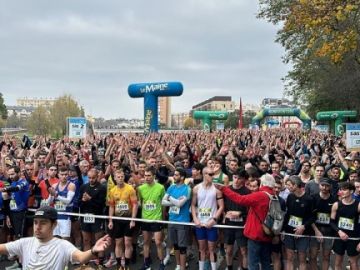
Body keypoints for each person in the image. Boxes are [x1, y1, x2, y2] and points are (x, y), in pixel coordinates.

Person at [0, 206, 111, 270]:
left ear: (54, 225)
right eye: (35, 222)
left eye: (43, 223)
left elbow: (81, 257)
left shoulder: (62, 245)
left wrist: (93, 250)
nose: (37, 227)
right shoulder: (24, 243)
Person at [217, 173, 276, 270]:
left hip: (256, 234)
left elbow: (240, 199)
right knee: (265, 262)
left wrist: (224, 189)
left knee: (253, 263)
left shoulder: (260, 195)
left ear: (262, 184)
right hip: (268, 232)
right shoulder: (273, 196)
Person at [191, 167, 224, 270]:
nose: (212, 176)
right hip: (200, 223)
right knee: (201, 249)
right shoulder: (196, 188)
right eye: (210, 174)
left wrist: (214, 219)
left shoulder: (217, 190)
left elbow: (221, 206)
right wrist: (195, 218)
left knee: (211, 249)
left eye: (213, 174)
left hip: (211, 224)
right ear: (204, 175)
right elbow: (192, 205)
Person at [107, 169, 138, 270]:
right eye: (118, 177)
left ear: (124, 177)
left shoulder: (130, 189)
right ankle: (120, 265)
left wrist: (133, 220)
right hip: (117, 220)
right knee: (118, 243)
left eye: (122, 177)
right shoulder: (112, 191)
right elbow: (111, 206)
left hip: (128, 219)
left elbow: (135, 205)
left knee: (127, 242)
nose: (120, 179)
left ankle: (127, 265)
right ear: (115, 178)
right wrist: (111, 220)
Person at [162, 167, 191, 270]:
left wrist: (169, 198)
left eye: (176, 175)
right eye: (174, 175)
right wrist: (173, 200)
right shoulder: (171, 187)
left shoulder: (187, 189)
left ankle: (183, 267)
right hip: (172, 219)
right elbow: (163, 201)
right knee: (176, 245)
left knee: (182, 247)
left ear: (182, 177)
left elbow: (179, 204)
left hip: (183, 221)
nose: (174, 176)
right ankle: (178, 265)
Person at [137, 166, 166, 270]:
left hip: (157, 218)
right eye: (145, 175)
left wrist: (163, 218)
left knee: (158, 242)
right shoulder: (140, 188)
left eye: (149, 175)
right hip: (145, 218)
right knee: (146, 241)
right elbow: (140, 203)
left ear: (154, 176)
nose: (147, 177)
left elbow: (163, 203)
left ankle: (161, 263)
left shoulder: (160, 187)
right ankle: (146, 262)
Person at [284, 175, 314, 270]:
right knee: (289, 257)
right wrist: (284, 230)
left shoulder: (309, 199)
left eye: (289, 185)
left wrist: (303, 226)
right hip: (289, 231)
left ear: (296, 185)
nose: (287, 187)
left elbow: (313, 217)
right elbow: (288, 214)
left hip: (303, 232)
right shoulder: (290, 196)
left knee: (302, 258)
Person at [223, 169, 250, 270]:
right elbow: (221, 206)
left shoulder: (247, 192)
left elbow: (250, 210)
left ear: (243, 179)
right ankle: (229, 267)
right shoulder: (227, 190)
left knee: (243, 250)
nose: (236, 180)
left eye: (239, 178)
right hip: (229, 224)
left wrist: (240, 213)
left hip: (241, 225)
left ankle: (243, 267)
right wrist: (225, 213)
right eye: (235, 177)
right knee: (229, 250)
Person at [331, 182, 360, 270]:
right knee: (338, 262)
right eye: (340, 189)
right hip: (340, 237)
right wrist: (339, 232)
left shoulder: (358, 205)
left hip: (353, 238)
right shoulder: (336, 205)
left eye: (344, 190)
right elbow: (331, 222)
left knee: (353, 263)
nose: (341, 192)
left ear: (351, 191)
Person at [310, 178, 336, 270]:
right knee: (313, 256)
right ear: (319, 185)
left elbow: (335, 218)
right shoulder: (313, 198)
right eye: (323, 185)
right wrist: (316, 231)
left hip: (328, 231)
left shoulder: (334, 199)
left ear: (330, 187)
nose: (324, 188)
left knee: (326, 256)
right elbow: (309, 216)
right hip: (314, 229)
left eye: (327, 186)